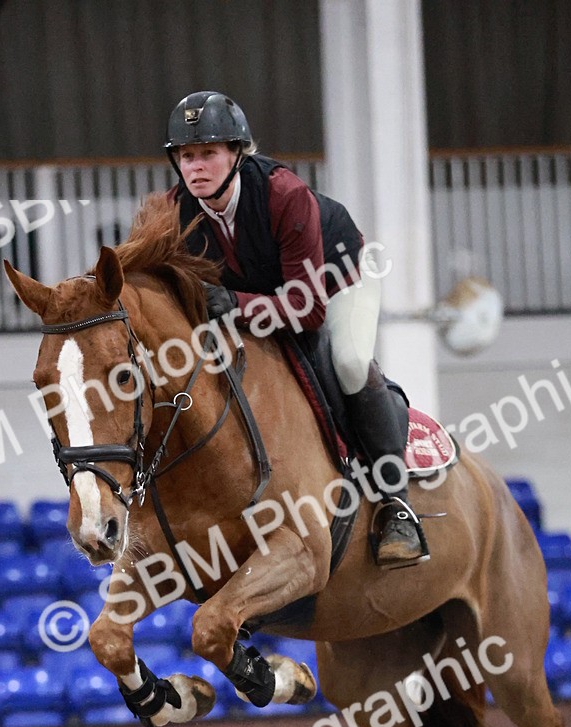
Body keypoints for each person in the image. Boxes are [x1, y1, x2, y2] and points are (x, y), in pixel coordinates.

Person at [164, 90, 427, 567]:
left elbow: (307, 311)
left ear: (237, 155)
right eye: (186, 156)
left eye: (208, 153)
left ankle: (397, 503)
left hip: (335, 277)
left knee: (347, 361)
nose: (196, 167)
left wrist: (234, 303)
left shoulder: (285, 194)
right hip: (265, 296)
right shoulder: (174, 213)